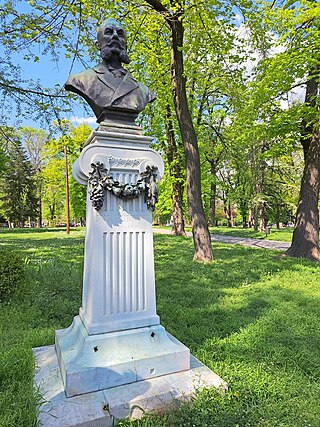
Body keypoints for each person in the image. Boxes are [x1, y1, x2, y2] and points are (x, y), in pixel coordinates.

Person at [65, 18, 156, 125]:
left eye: (120, 34)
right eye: (108, 32)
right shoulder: (80, 80)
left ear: (125, 45)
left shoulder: (144, 91)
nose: (115, 36)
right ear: (97, 44)